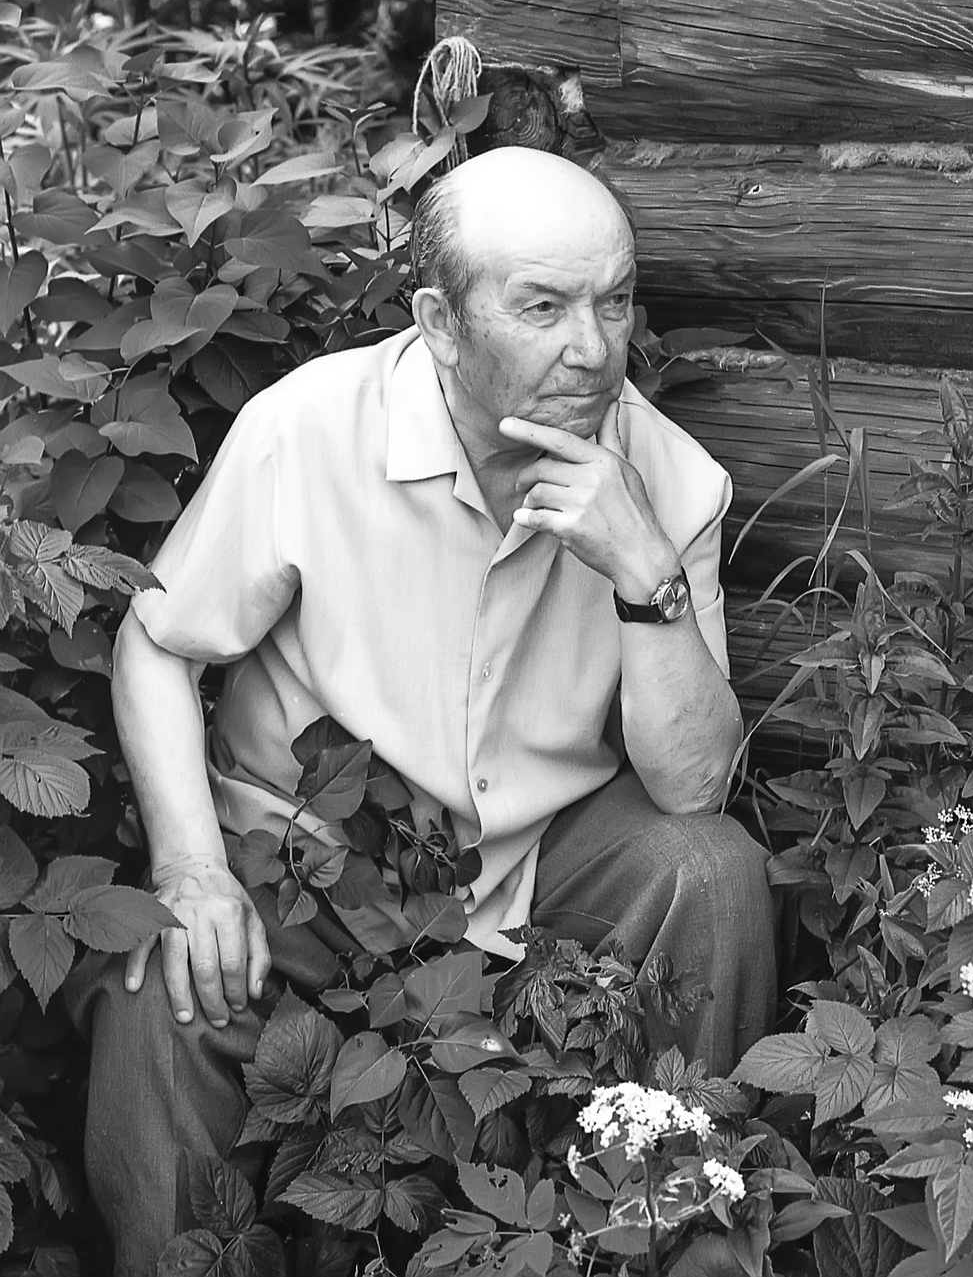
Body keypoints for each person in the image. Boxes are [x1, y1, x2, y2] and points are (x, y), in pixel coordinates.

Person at [67, 146, 775, 1274]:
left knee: (713, 872)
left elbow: (693, 787)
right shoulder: (310, 429)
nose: (593, 349)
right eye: (541, 307)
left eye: (614, 300)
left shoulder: (667, 476)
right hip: (307, 870)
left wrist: (646, 576)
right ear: (440, 322)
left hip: (537, 871)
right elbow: (156, 643)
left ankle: (665, 1228)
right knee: (163, 989)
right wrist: (190, 865)